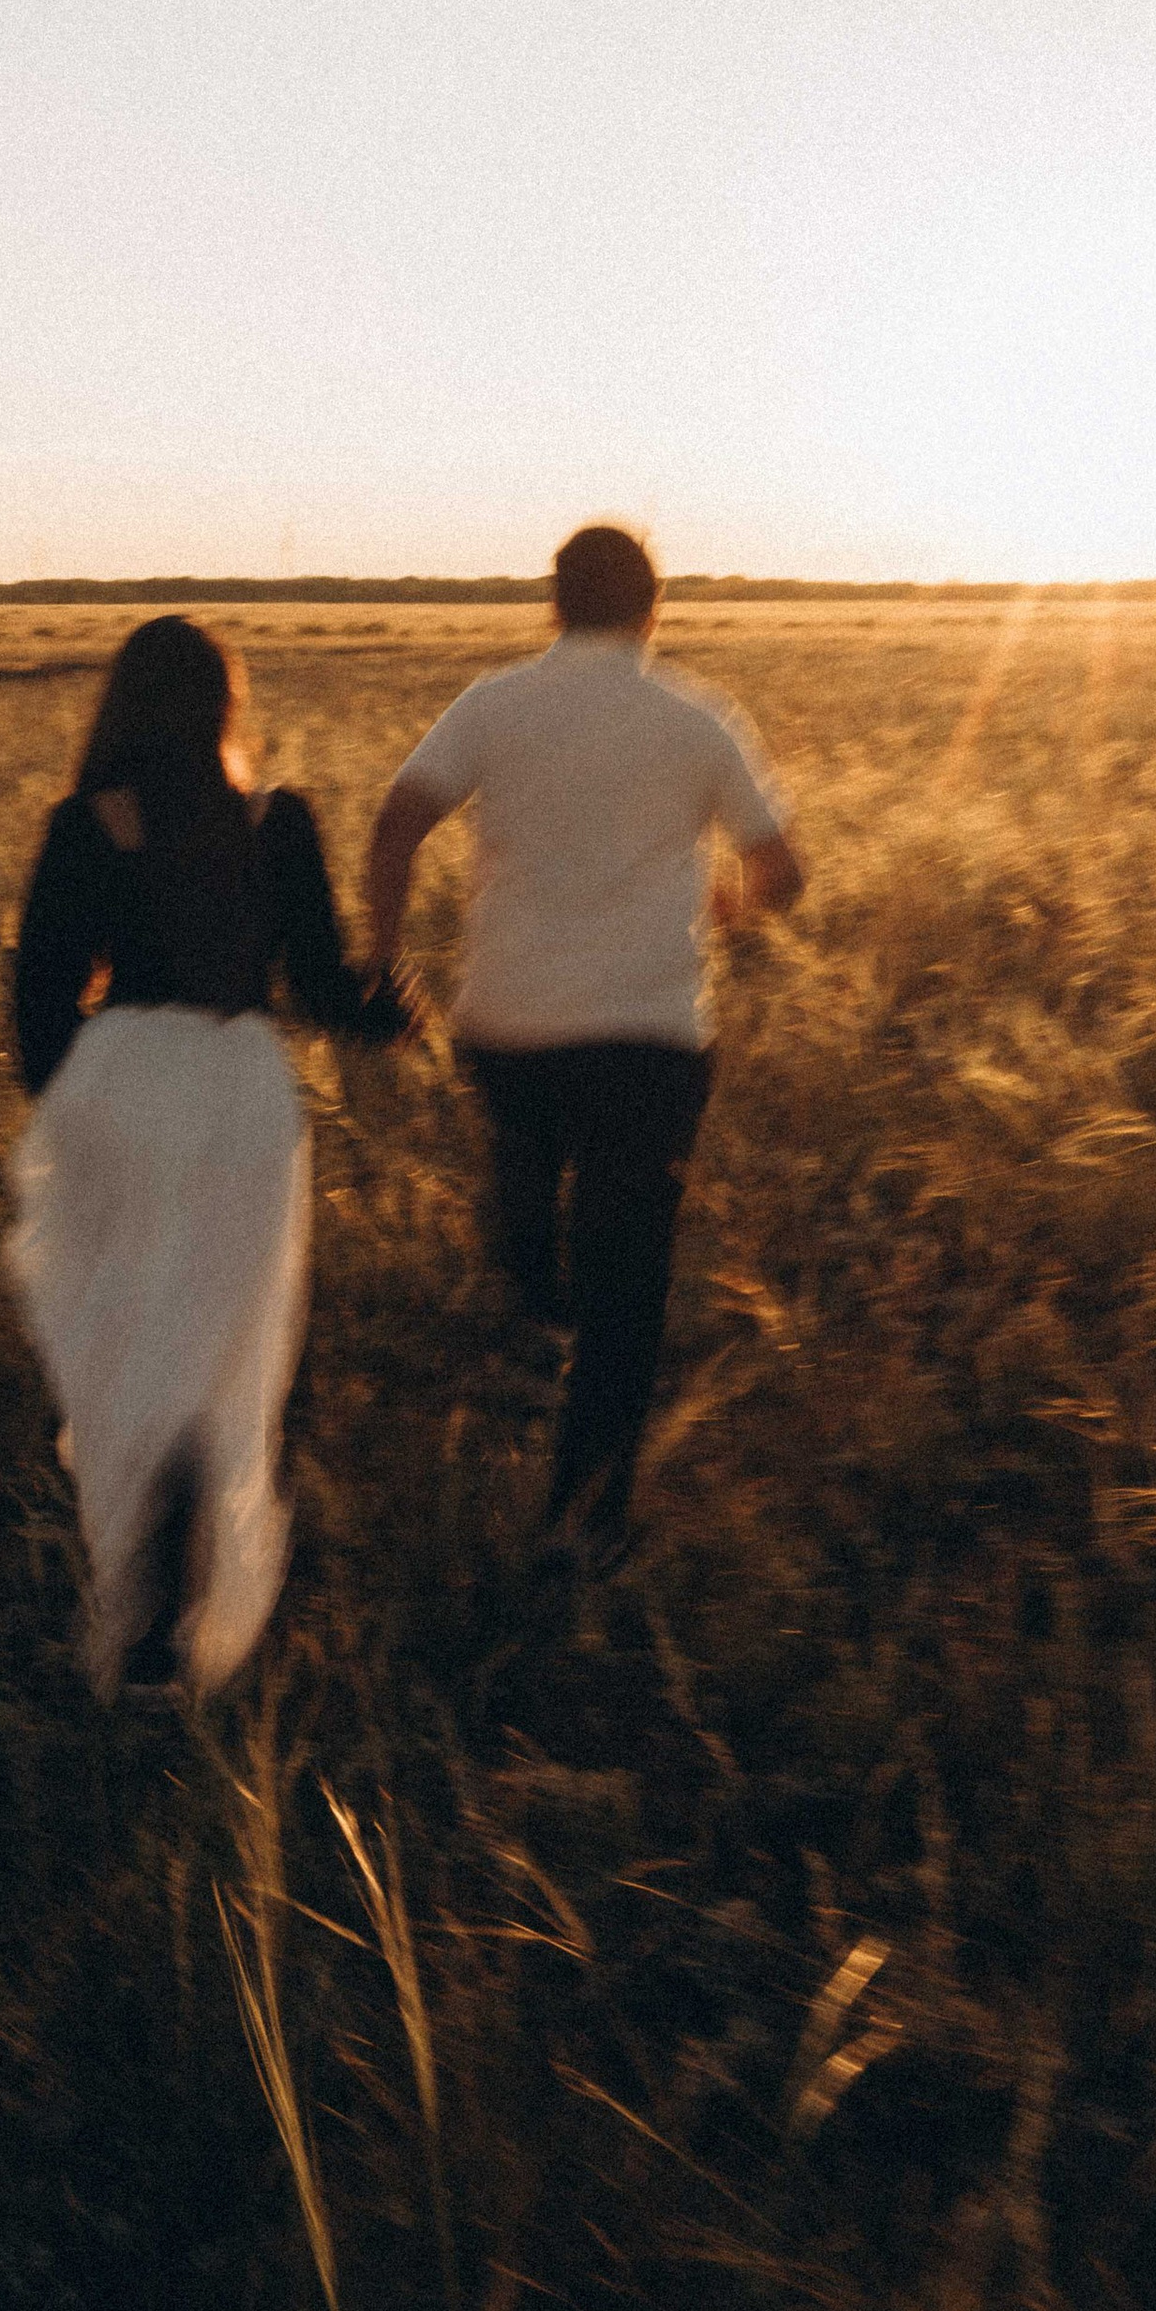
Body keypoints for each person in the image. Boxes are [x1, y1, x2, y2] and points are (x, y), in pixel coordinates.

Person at [363, 525, 803, 1564]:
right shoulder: (698, 717)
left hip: (505, 1031)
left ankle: (529, 1275)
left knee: (528, 1206)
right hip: (648, 1041)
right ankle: (586, 1514)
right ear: (656, 611)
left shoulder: (493, 702)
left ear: (550, 606)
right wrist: (723, 911)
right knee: (626, 1285)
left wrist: (383, 963)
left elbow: (395, 823)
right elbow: (782, 871)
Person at [7, 616, 410, 1698]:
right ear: (229, 706)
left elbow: (35, 1003)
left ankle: (137, 1604)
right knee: (221, 1350)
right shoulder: (277, 824)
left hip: (124, 1085)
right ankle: (182, 1618)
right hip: (241, 1101)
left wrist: (75, 1110)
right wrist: (388, 1011)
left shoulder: (90, 823)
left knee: (130, 1337)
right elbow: (321, 988)